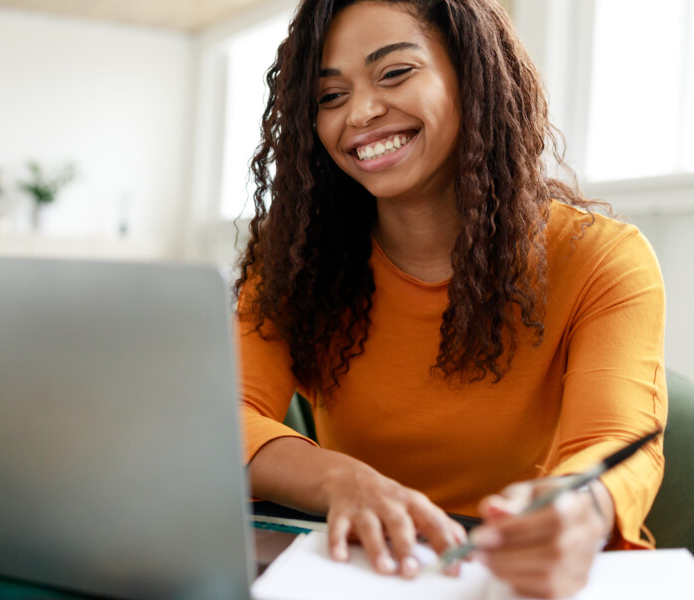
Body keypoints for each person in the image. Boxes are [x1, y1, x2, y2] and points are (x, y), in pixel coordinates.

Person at [233, 0, 666, 597]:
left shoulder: (602, 260)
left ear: (472, 74)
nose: (360, 112)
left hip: (508, 577)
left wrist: (581, 511)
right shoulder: (295, 262)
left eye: (394, 73)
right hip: (355, 571)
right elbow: (221, 421)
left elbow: (616, 445)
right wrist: (338, 480)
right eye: (329, 97)